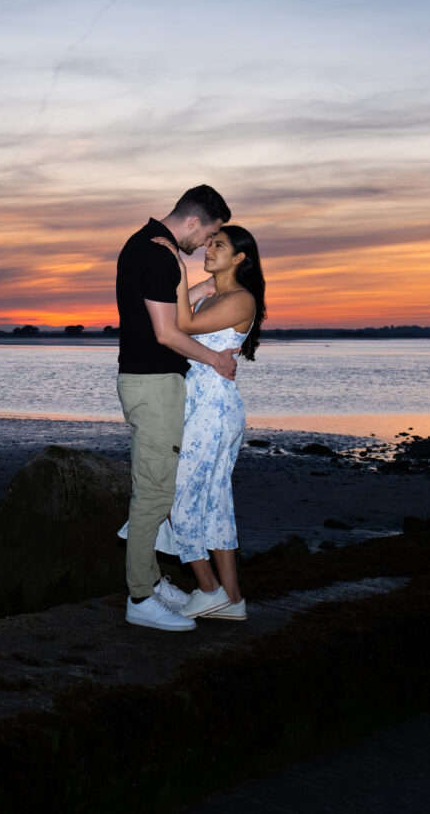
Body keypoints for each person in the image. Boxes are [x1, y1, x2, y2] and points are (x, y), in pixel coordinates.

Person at [116, 185, 238, 632]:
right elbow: (168, 334)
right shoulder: (156, 254)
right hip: (154, 385)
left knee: (153, 484)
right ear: (192, 223)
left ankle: (151, 580)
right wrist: (216, 360)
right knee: (153, 494)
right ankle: (140, 598)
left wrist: (198, 279)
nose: (207, 243)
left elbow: (176, 309)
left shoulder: (148, 247)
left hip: (149, 382)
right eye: (209, 234)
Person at [151, 224, 267, 621]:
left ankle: (207, 588)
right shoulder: (221, 294)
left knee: (177, 496)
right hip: (206, 403)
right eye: (210, 242)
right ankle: (232, 601)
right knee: (214, 502)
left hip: (212, 408)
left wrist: (180, 275)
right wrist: (196, 287)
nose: (209, 248)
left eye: (220, 245)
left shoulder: (240, 298)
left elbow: (181, 325)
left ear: (239, 259)